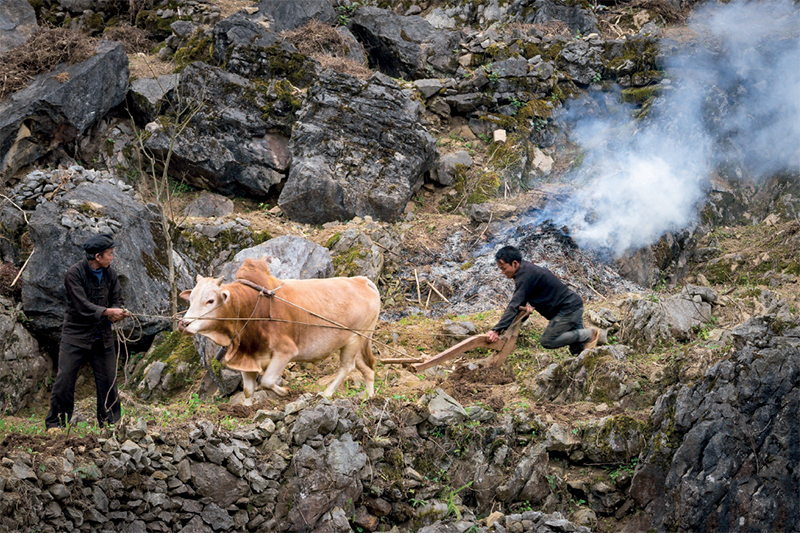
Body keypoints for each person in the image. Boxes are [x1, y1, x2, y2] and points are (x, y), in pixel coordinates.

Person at [45, 234, 130, 431]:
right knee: (64, 378)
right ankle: (55, 424)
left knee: (109, 381)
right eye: (109, 254)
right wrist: (108, 312)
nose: (112, 257)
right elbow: (82, 305)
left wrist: (117, 312)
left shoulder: (111, 274)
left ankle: (111, 424)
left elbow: (117, 298)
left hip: (103, 336)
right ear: (97, 256)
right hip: (75, 335)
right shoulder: (74, 274)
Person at [486, 245, 602, 355]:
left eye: (504, 268)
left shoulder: (525, 275)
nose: (502, 272)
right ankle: (600, 340)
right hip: (572, 305)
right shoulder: (526, 271)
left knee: (547, 341)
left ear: (514, 263)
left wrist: (496, 330)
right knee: (578, 348)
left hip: (568, 309)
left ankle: (590, 333)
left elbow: (514, 304)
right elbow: (520, 303)